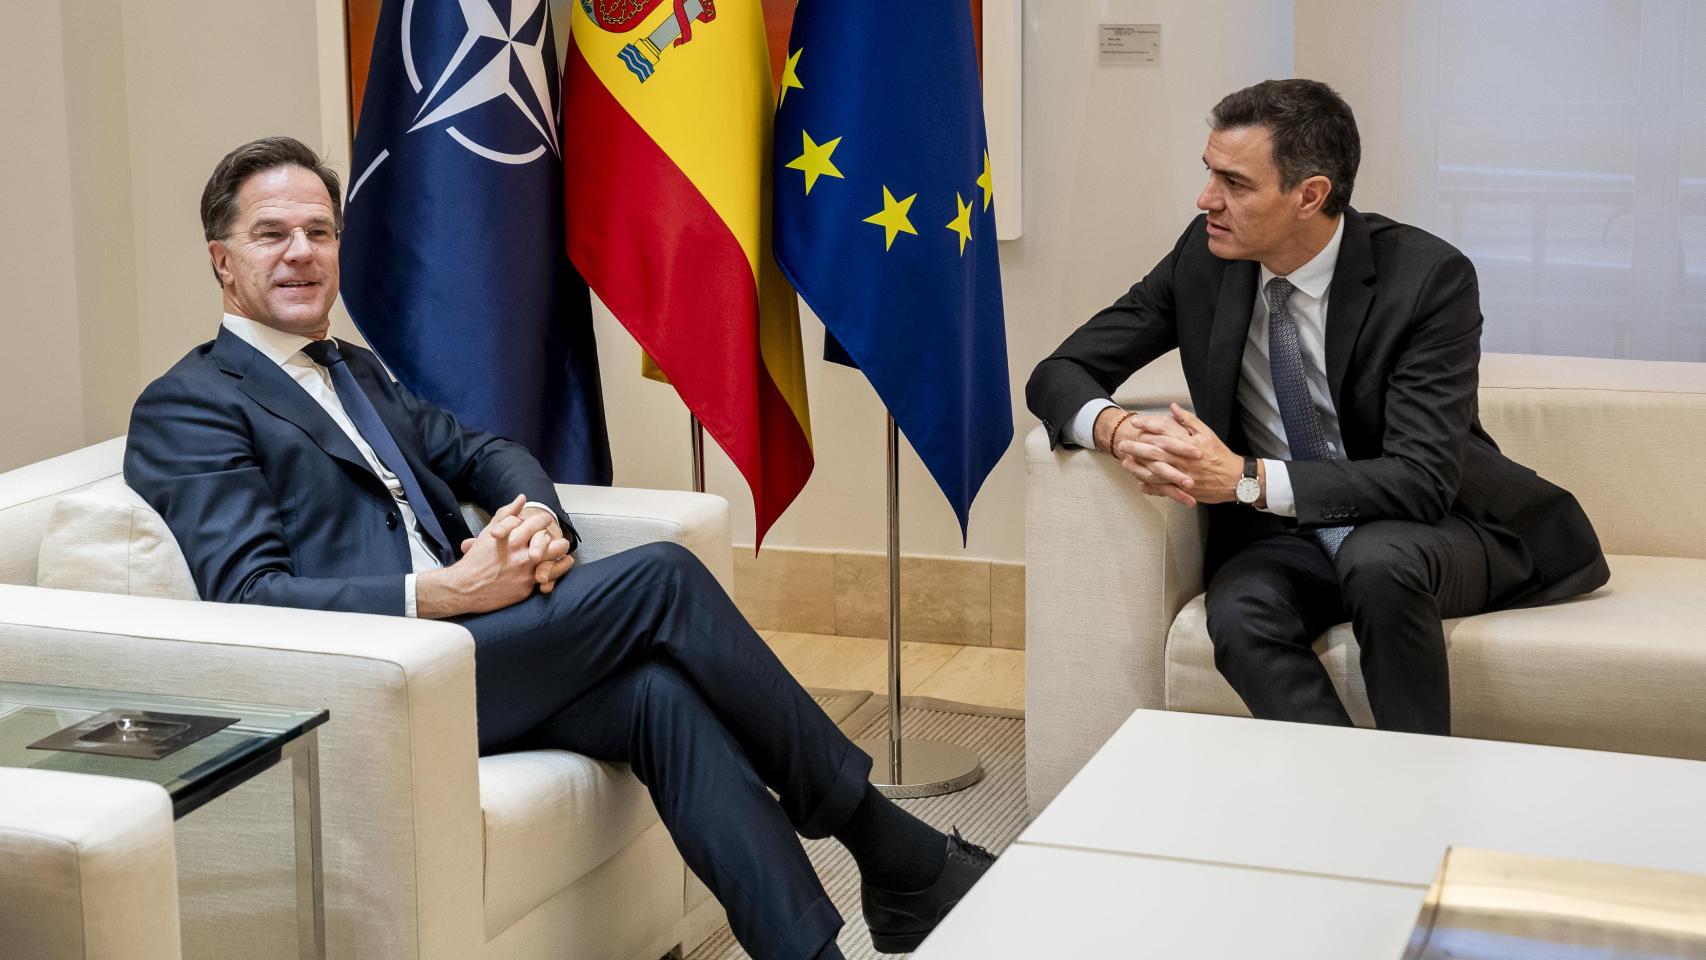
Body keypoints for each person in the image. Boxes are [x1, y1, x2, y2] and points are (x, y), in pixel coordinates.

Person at [124, 136, 992, 960]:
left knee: (660, 698)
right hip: (380, 676)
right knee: (662, 578)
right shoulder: (189, 403)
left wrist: (538, 521)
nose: (302, 253)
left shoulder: (354, 368)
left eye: (319, 231)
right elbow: (249, 595)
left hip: (477, 648)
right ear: (221, 259)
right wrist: (446, 593)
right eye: (271, 234)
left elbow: (484, 452)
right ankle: (888, 847)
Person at [1027, 80, 1608, 735]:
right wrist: (1116, 429)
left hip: (1437, 524)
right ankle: (1342, 782)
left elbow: (1421, 479)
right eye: (1209, 172)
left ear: (1310, 195)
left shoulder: (1426, 279)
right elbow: (1059, 373)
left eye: (1234, 183)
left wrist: (1246, 480)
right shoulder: (1206, 257)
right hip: (1287, 536)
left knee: (1377, 562)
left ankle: (1421, 777)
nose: (1206, 199)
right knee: (1240, 613)